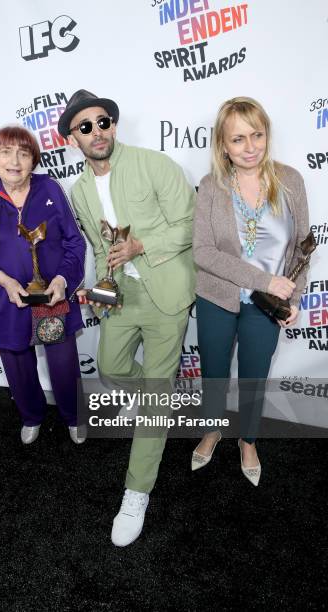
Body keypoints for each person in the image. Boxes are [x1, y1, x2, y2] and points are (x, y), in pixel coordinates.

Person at [58, 90, 196, 546]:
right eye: (85, 127)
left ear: (113, 126)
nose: (96, 132)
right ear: (72, 139)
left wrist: (141, 244)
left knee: (153, 399)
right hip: (121, 294)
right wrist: (99, 290)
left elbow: (189, 222)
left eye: (103, 122)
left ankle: (136, 493)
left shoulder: (152, 164)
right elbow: (100, 249)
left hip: (166, 290)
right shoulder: (78, 191)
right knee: (113, 367)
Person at [191, 97, 310, 485]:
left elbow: (302, 248)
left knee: (255, 376)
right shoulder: (211, 186)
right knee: (214, 374)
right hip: (218, 297)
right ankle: (212, 430)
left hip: (268, 306)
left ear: (266, 135)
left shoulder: (290, 181)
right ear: (223, 145)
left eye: (257, 135)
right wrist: (263, 280)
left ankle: (249, 439)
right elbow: (203, 252)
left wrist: (292, 297)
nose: (250, 146)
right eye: (238, 139)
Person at [0, 126, 86, 445]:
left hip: (51, 295)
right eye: (5, 152)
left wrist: (62, 280)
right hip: (5, 298)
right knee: (17, 366)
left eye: (23, 153)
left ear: (33, 161)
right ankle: (31, 416)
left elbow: (74, 242)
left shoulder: (50, 189)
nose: (14, 160)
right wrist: (3, 280)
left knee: (63, 363)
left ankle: (73, 416)